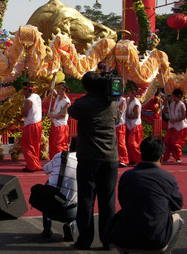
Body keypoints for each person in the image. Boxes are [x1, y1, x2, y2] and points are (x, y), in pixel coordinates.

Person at [67, 71, 119, 251]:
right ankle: (108, 240)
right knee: (108, 201)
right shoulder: (112, 103)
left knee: (86, 199)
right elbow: (117, 120)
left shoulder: (83, 103)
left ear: (85, 87)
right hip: (110, 157)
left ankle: (85, 240)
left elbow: (71, 111)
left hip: (88, 157)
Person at [108, 136, 184, 254]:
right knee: (178, 219)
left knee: (124, 213)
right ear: (161, 157)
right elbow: (177, 205)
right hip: (155, 241)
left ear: (141, 154)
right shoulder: (167, 178)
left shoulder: (126, 176)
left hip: (125, 239)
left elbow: (123, 201)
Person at [40, 136, 78, 242]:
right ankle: (71, 224)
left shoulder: (59, 156)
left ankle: (47, 228)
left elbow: (45, 170)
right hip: (71, 210)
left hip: (51, 207)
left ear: (70, 146)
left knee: (47, 188)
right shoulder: (86, 162)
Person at [20, 81, 43, 172]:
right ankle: (35, 164)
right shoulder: (37, 96)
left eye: (24, 90)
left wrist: (23, 106)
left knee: (27, 145)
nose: (23, 92)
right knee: (35, 145)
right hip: (38, 123)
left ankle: (32, 165)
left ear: (27, 90)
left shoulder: (29, 100)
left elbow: (23, 113)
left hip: (31, 125)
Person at [46, 82, 71, 160]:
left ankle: (60, 162)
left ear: (64, 90)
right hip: (55, 125)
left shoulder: (67, 102)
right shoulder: (58, 97)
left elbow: (63, 115)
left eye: (59, 88)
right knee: (52, 144)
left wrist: (51, 115)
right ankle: (54, 161)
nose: (57, 90)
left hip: (61, 126)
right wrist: (53, 77)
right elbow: (51, 88)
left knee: (59, 145)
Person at [163, 88, 187, 163]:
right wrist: (165, 101)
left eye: (177, 97)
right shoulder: (172, 103)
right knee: (166, 140)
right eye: (174, 96)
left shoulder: (181, 105)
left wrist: (175, 120)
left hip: (180, 126)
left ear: (180, 97)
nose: (175, 98)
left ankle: (178, 157)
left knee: (175, 143)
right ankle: (166, 157)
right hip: (172, 125)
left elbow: (183, 116)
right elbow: (164, 111)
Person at [125, 82, 143, 164]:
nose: (128, 93)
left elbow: (136, 115)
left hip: (135, 125)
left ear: (134, 92)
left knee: (132, 142)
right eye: (128, 91)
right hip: (128, 124)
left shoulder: (136, 103)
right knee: (127, 142)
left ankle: (138, 159)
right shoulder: (127, 100)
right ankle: (131, 159)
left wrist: (128, 115)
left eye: (130, 92)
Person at [116, 95, 128, 167]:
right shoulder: (112, 99)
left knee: (121, 143)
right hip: (113, 123)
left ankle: (124, 160)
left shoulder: (122, 100)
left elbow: (121, 111)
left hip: (120, 124)